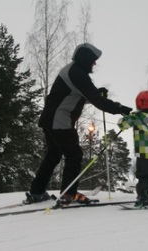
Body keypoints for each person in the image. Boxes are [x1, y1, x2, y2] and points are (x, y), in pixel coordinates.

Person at [26, 43, 132, 204]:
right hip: (59, 120)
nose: (94, 63)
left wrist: (98, 93)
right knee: (74, 155)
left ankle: (37, 192)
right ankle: (69, 194)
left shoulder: (72, 70)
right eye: (93, 60)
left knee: (53, 155)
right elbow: (95, 99)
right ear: (86, 59)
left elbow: (81, 95)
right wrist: (119, 108)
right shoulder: (77, 74)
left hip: (50, 119)